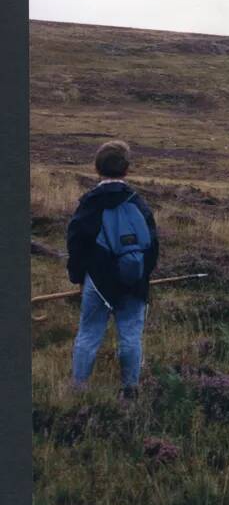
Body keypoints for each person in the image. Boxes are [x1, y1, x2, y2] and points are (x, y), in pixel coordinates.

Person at [66, 140, 159, 398]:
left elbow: (76, 243)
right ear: (126, 169)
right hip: (135, 279)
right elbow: (152, 244)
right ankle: (130, 389)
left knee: (89, 333)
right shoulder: (138, 203)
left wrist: (78, 277)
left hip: (97, 280)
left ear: (97, 168)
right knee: (130, 334)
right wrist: (142, 274)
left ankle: (78, 388)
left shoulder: (90, 204)